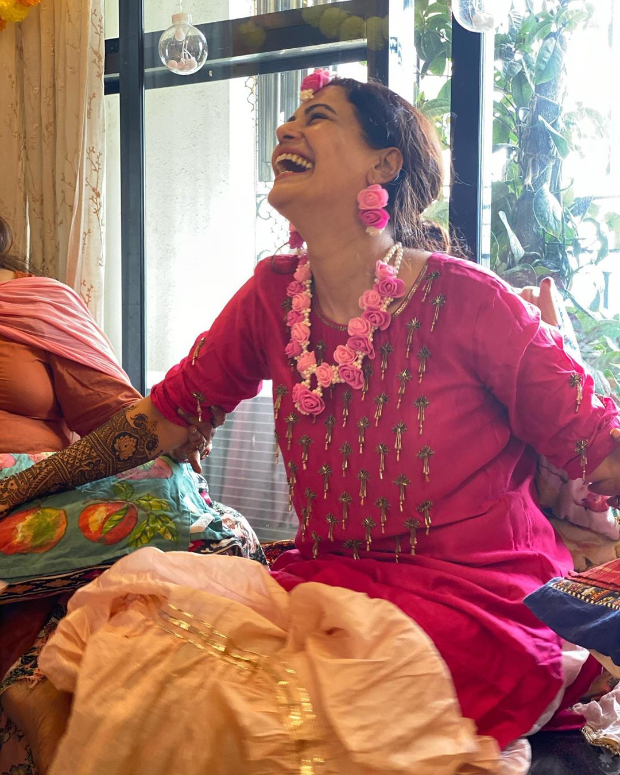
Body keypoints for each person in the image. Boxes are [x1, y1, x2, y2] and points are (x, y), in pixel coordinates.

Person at [1, 72, 620, 774]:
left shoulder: (469, 299)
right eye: (288, 118)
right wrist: (23, 486)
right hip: (325, 584)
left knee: (263, 711)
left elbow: (599, 443)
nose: (286, 130)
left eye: (316, 117)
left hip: (471, 602)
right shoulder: (272, 295)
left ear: (383, 164)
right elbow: (161, 420)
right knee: (119, 637)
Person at [0, 214, 260, 772]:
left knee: (175, 496)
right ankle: (32, 681)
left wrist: (175, 431)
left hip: (40, 498)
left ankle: (37, 680)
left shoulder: (35, 303)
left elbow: (119, 422)